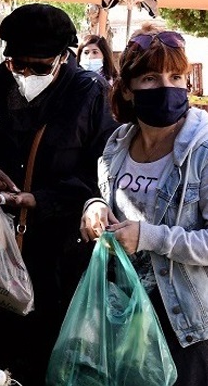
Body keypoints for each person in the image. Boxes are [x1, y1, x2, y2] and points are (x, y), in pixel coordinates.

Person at [0, 3, 119, 385]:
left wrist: (43, 199)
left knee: (50, 361)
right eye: (17, 64)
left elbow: (105, 176)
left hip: (59, 258)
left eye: (38, 67)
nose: (25, 74)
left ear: (63, 57)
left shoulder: (90, 94)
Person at [80, 25, 208, 386]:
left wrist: (149, 236)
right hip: (125, 311)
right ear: (127, 89)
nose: (166, 87)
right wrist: (93, 207)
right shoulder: (118, 143)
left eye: (176, 76)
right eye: (150, 78)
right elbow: (109, 203)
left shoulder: (203, 151)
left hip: (186, 324)